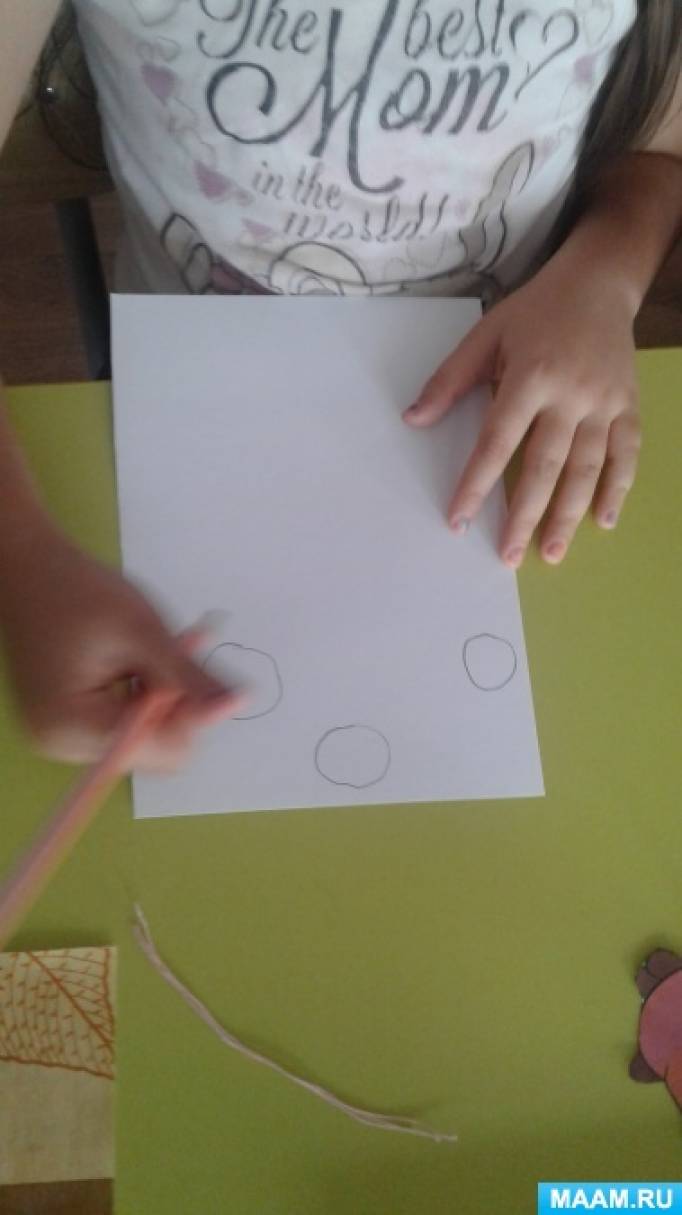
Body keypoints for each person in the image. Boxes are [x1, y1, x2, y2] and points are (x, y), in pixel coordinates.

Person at [0, 0, 680, 768]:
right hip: (186, 403)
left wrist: (606, 275)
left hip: (514, 408)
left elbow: (661, 145)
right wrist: (20, 552)